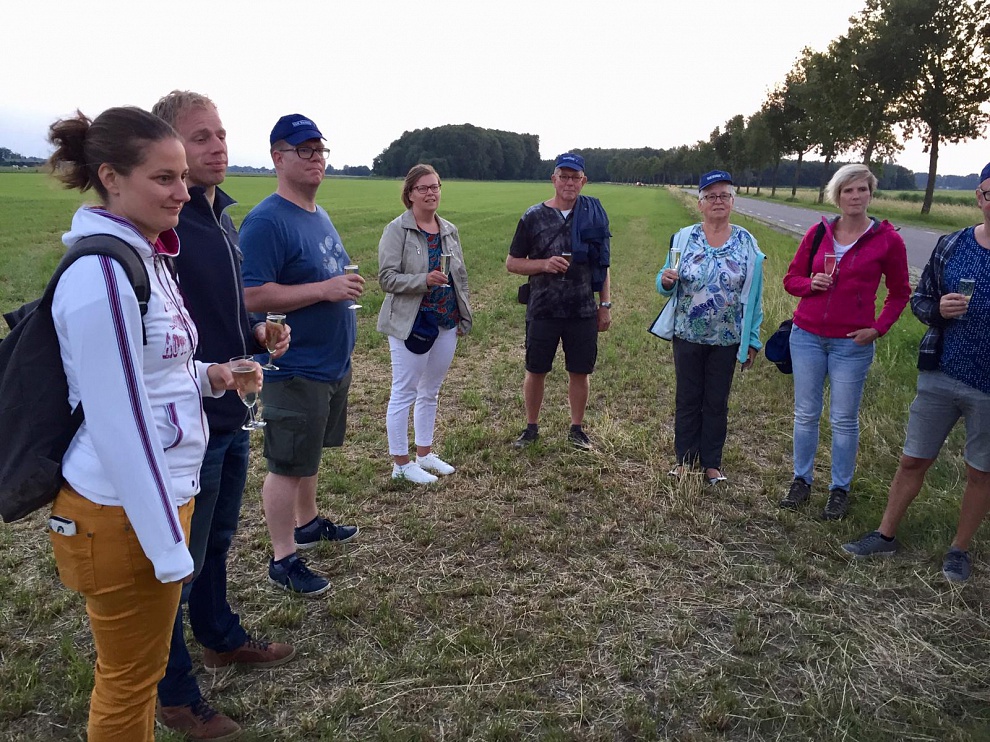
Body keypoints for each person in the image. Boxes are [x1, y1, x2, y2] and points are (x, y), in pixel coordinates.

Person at [44, 106, 256, 741]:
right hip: (122, 512)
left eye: (182, 177)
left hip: (154, 499)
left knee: (141, 669)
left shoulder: (146, 257)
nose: (182, 192)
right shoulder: (104, 274)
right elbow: (118, 423)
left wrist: (212, 375)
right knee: (130, 680)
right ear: (111, 177)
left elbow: (154, 376)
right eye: (164, 178)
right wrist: (168, 549)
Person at [151, 91, 294, 740]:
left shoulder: (219, 218)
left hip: (230, 412)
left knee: (216, 543)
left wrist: (257, 333)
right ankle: (174, 693)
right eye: (200, 137)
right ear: (169, 149)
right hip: (189, 423)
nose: (217, 147)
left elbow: (221, 312)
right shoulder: (167, 227)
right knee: (178, 562)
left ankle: (218, 637)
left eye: (221, 134)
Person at [843, 163, 990, 582]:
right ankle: (885, 534)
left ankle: (959, 550)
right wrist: (938, 309)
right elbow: (920, 300)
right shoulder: (953, 244)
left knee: (981, 470)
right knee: (913, 459)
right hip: (941, 372)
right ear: (979, 198)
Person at [240, 113, 362, 597]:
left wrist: (335, 289)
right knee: (286, 465)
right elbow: (251, 295)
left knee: (308, 455)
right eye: (303, 150)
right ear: (278, 157)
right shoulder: (267, 221)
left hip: (330, 364)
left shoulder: (316, 213)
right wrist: (325, 289)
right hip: (294, 367)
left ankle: (308, 524)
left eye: (319, 150)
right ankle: (283, 558)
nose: (316, 159)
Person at [779, 164, 910, 519]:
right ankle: (801, 481)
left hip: (851, 344)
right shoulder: (818, 233)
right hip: (807, 336)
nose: (855, 196)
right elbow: (791, 279)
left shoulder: (888, 240)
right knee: (806, 413)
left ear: (871, 194)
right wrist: (811, 284)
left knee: (843, 418)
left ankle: (839, 489)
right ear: (836, 196)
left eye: (862, 189)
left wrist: (878, 329)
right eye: (848, 190)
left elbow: (900, 292)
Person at [656, 170, 765, 484]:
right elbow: (664, 279)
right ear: (700, 203)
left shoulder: (747, 242)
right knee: (687, 399)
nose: (718, 201)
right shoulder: (684, 237)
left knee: (717, 401)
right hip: (687, 334)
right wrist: (665, 281)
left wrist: (752, 340)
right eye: (711, 196)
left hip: (727, 338)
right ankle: (684, 460)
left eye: (724, 196)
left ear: (733, 201)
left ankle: (712, 463)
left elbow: (754, 296)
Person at [506, 152, 612, 450]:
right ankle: (531, 428)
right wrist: (543, 264)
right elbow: (512, 263)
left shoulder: (593, 214)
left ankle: (577, 429)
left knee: (580, 371)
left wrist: (604, 305)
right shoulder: (533, 216)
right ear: (553, 179)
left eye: (575, 177)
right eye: (563, 176)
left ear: (583, 181)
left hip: (582, 308)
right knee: (536, 369)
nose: (569, 183)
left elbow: (603, 265)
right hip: (543, 307)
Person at [377, 164, 473, 483]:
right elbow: (386, 278)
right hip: (411, 323)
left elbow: (460, 276)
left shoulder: (449, 230)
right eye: (423, 188)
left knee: (430, 391)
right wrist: (423, 280)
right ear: (410, 194)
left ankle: (424, 454)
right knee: (404, 391)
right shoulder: (397, 230)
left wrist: (463, 315)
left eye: (435, 187)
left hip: (446, 321)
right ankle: (401, 465)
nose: (431, 193)